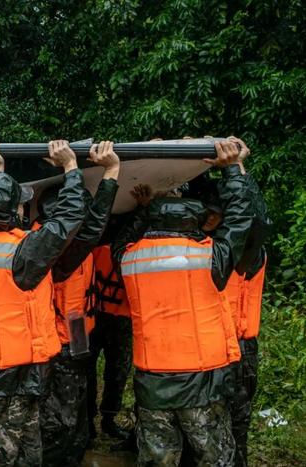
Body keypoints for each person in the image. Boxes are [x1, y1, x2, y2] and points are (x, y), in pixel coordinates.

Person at [113, 140, 253, 466]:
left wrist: (145, 210)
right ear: (193, 221)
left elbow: (121, 240)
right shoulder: (210, 257)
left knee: (157, 459)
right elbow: (240, 221)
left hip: (152, 381)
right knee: (215, 458)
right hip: (202, 381)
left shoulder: (130, 261)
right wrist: (232, 169)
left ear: (153, 222)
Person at [0, 140, 87, 466]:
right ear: (9, 212)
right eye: (18, 205)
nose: (23, 209)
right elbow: (69, 220)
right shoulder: (23, 254)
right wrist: (71, 166)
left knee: (24, 444)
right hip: (14, 372)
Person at [188, 137, 270, 467]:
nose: (207, 219)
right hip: (204, 350)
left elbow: (256, 220)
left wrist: (236, 170)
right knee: (200, 432)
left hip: (237, 351)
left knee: (234, 429)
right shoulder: (202, 250)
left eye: (213, 215)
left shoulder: (242, 253)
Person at [37, 141, 121, 466]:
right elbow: (94, 224)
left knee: (73, 418)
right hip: (62, 348)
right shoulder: (58, 252)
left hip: (75, 340)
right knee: (61, 423)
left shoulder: (52, 241)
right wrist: (111, 173)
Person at [86, 217, 134, 443]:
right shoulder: (96, 250)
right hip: (95, 317)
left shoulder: (133, 252)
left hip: (120, 319)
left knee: (116, 373)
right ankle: (90, 420)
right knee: (92, 371)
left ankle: (105, 420)